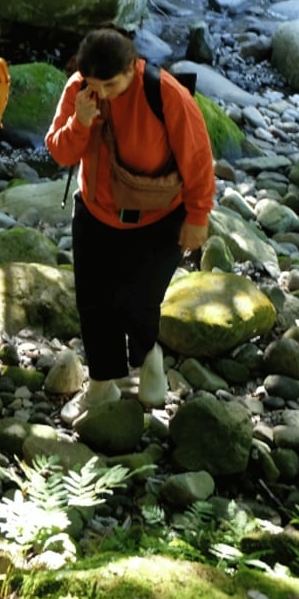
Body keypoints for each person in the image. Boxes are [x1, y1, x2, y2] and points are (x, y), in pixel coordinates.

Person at [44, 26, 215, 413]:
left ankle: (148, 359)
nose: (101, 93)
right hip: (96, 211)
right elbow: (60, 153)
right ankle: (102, 384)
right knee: (94, 303)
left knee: (137, 301)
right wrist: (80, 121)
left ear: (132, 67)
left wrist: (198, 215)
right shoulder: (79, 91)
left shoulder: (164, 93)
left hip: (159, 217)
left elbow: (198, 158)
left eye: (110, 85)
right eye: (93, 84)